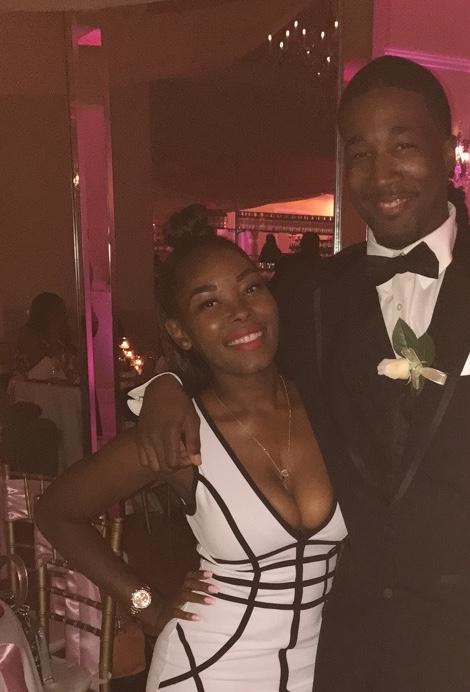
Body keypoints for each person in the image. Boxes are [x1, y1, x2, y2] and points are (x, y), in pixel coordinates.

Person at [133, 56, 470, 692]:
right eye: (360, 153)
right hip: (349, 651)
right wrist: (164, 387)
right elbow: (232, 353)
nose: (381, 174)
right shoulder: (311, 297)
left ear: (448, 150)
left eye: (403, 146)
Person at [35, 235, 347, 691]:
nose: (240, 311)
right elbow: (56, 512)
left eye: (251, 288)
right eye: (209, 304)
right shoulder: (181, 432)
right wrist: (146, 606)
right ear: (181, 332)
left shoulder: (329, 408)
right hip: (207, 670)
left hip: (317, 670)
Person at [15, 292, 77, 382]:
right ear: (46, 315)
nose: (64, 317)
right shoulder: (28, 337)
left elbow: (70, 371)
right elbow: (40, 370)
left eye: (63, 313)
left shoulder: (62, 341)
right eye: (59, 313)